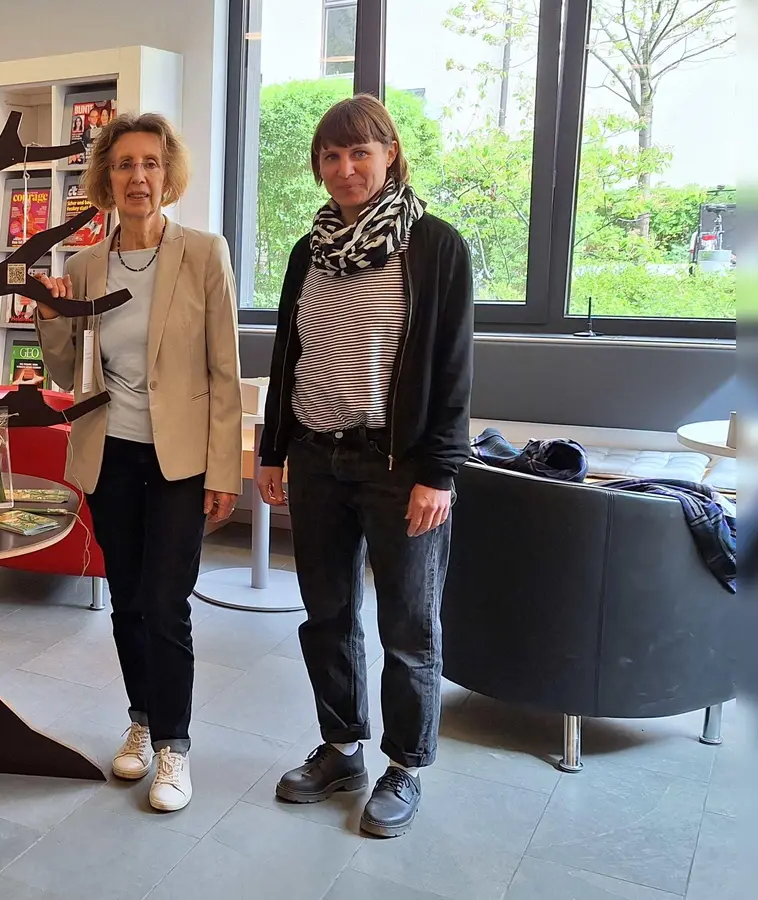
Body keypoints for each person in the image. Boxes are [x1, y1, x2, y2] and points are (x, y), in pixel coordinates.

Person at [257, 94, 473, 838]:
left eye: (360, 152)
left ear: (389, 155)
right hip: (316, 456)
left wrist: (439, 473)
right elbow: (288, 358)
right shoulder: (307, 251)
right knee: (327, 614)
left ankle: (405, 765)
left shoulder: (436, 247)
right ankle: (342, 746)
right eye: (330, 155)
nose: (345, 168)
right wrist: (272, 450)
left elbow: (452, 370)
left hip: (399, 464)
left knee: (408, 625)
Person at [34, 112, 242, 813]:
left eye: (151, 162)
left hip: (181, 460)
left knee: (165, 602)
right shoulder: (86, 266)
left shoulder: (204, 253)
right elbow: (68, 370)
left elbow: (224, 370)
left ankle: (175, 746)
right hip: (111, 452)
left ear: (168, 173)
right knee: (126, 600)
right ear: (107, 178)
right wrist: (51, 314)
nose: (138, 176)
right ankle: (143, 720)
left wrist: (224, 471)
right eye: (124, 164)